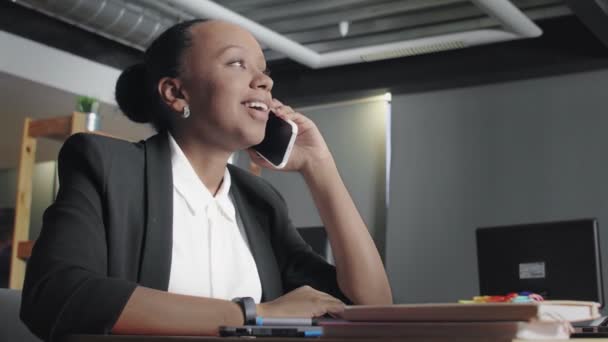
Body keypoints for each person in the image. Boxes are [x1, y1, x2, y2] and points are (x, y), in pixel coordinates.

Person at [20, 19, 392, 341]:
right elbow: (55, 295)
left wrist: (320, 166)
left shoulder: (260, 201)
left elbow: (371, 306)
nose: (264, 80)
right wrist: (253, 313)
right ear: (176, 93)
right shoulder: (106, 165)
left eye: (263, 70)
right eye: (237, 63)